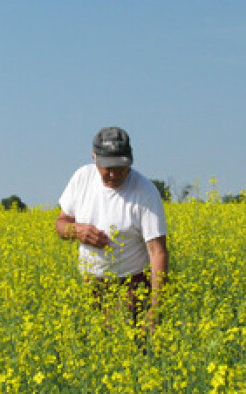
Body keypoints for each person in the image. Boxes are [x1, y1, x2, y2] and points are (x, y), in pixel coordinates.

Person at [55, 126, 169, 334]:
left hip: (131, 290)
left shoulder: (145, 192)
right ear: (94, 159)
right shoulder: (82, 178)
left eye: (121, 167)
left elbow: (157, 251)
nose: (114, 174)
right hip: (89, 287)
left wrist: (155, 307)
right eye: (108, 167)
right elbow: (61, 224)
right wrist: (76, 231)